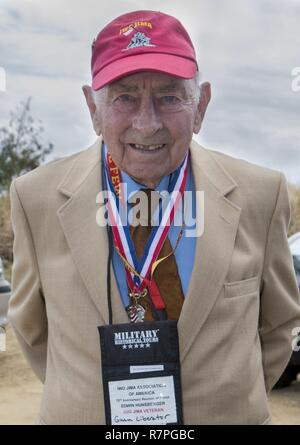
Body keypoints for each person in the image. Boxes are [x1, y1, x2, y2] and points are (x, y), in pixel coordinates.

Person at [8, 10, 300, 425]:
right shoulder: (34, 198)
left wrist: (223, 404)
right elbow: (32, 332)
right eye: (124, 96)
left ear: (200, 107)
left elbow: (279, 327)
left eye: (169, 96)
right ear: (93, 108)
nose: (147, 124)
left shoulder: (261, 195)